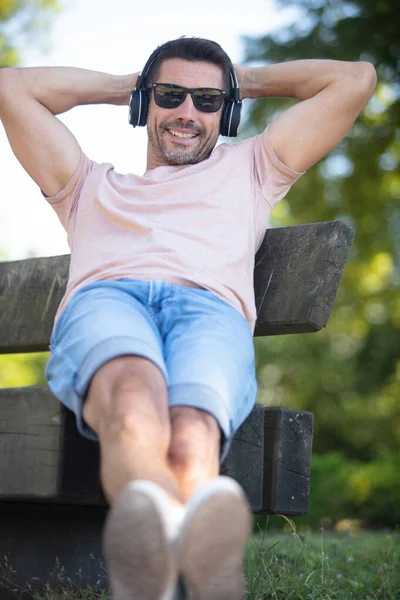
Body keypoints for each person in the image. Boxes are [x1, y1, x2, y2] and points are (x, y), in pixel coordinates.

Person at [0, 37, 376, 600]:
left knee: (194, 429)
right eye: (171, 95)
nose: (186, 112)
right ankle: (178, 549)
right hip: (109, 300)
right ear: (144, 104)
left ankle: (179, 553)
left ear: (224, 112)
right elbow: (11, 87)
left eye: (206, 101)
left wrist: (236, 81)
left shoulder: (254, 167)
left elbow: (357, 78)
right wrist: (130, 84)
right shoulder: (86, 187)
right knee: (131, 400)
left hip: (210, 309)